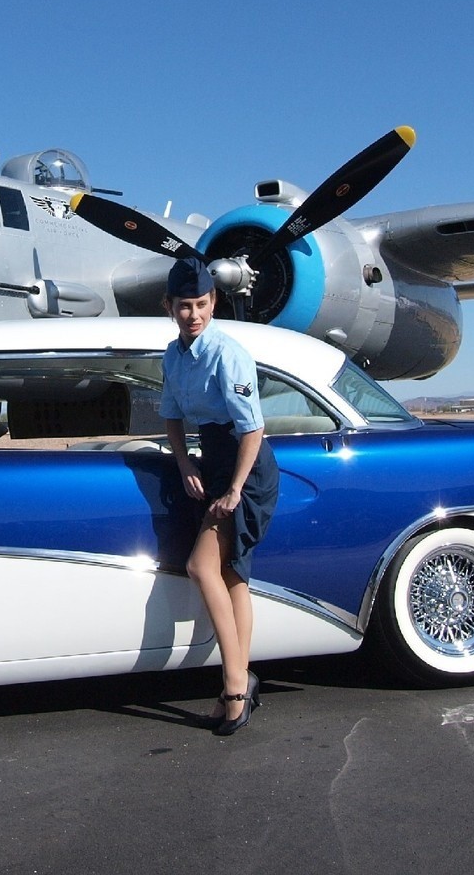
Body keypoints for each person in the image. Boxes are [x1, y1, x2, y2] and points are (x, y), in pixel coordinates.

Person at [158, 257, 280, 736]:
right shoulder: (172, 354)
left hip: (246, 468)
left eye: (203, 304)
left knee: (201, 566)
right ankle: (242, 679)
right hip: (212, 460)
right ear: (168, 307)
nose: (194, 314)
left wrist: (232, 489)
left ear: (214, 302)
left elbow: (253, 429)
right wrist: (185, 462)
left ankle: (234, 687)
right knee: (232, 577)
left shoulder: (228, 353)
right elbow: (170, 414)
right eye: (185, 306)